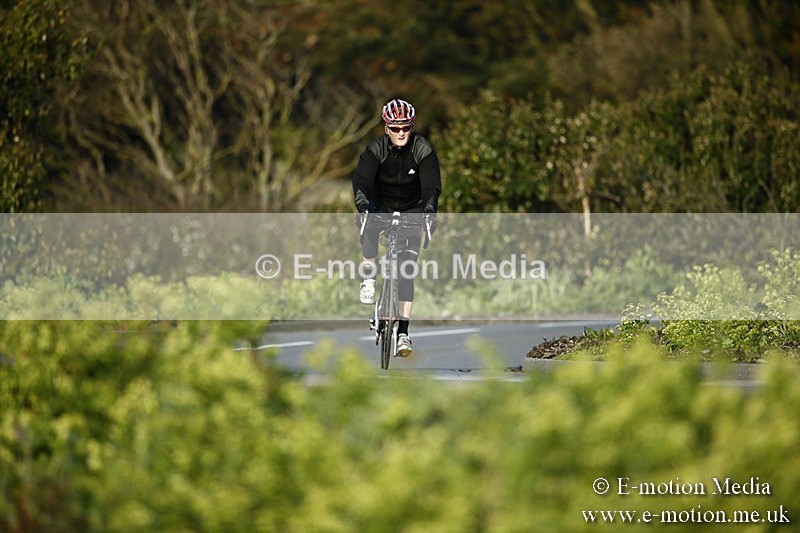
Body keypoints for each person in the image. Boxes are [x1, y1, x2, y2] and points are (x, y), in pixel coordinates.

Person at [352, 98, 441, 357]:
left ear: (412, 127)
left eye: (405, 128)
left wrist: (429, 212)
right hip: (381, 206)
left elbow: (431, 185)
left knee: (406, 270)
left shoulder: (422, 149)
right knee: (368, 223)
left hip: (412, 210)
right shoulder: (376, 149)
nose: (401, 133)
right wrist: (364, 207)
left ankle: (403, 332)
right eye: (395, 128)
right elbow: (362, 180)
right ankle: (368, 278)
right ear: (386, 128)